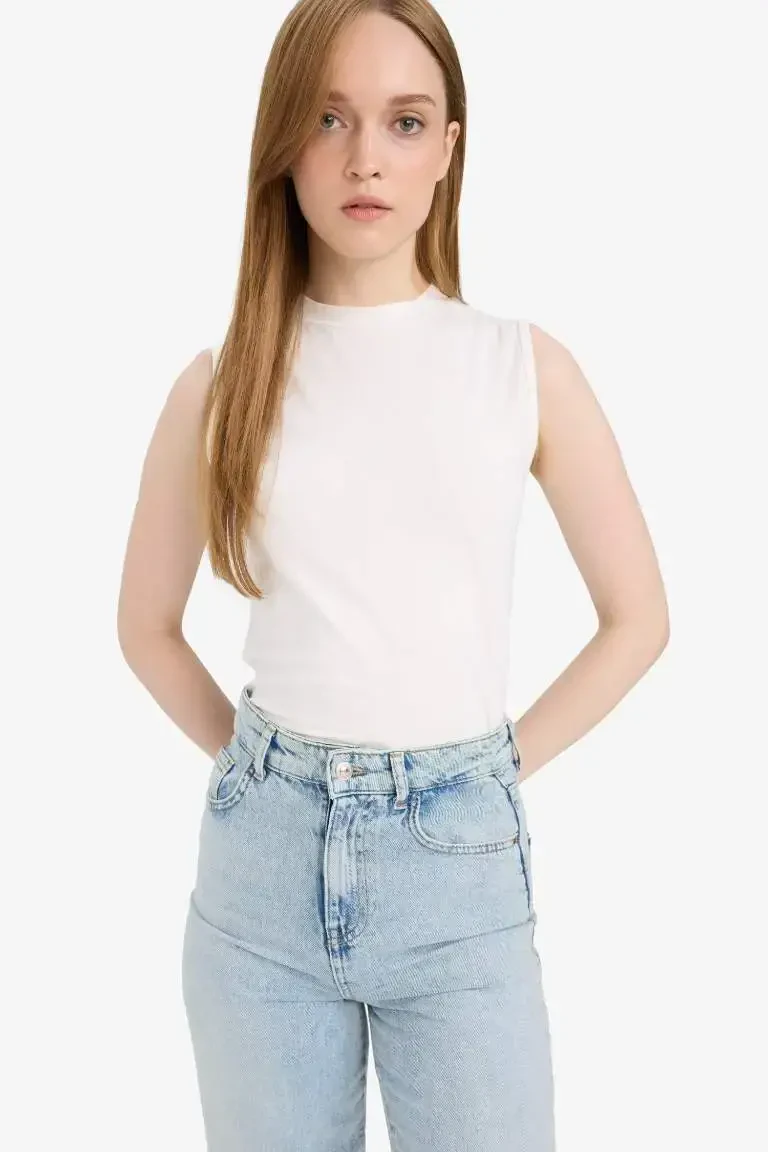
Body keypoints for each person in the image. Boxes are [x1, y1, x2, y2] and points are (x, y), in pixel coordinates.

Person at [117, 1, 669, 1149]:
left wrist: (486, 773)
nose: (366, 156)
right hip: (259, 888)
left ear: (448, 150)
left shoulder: (521, 369)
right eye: (330, 119)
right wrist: (261, 774)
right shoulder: (221, 383)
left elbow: (638, 619)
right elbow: (146, 627)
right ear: (283, 143)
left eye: (404, 122)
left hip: (458, 879)